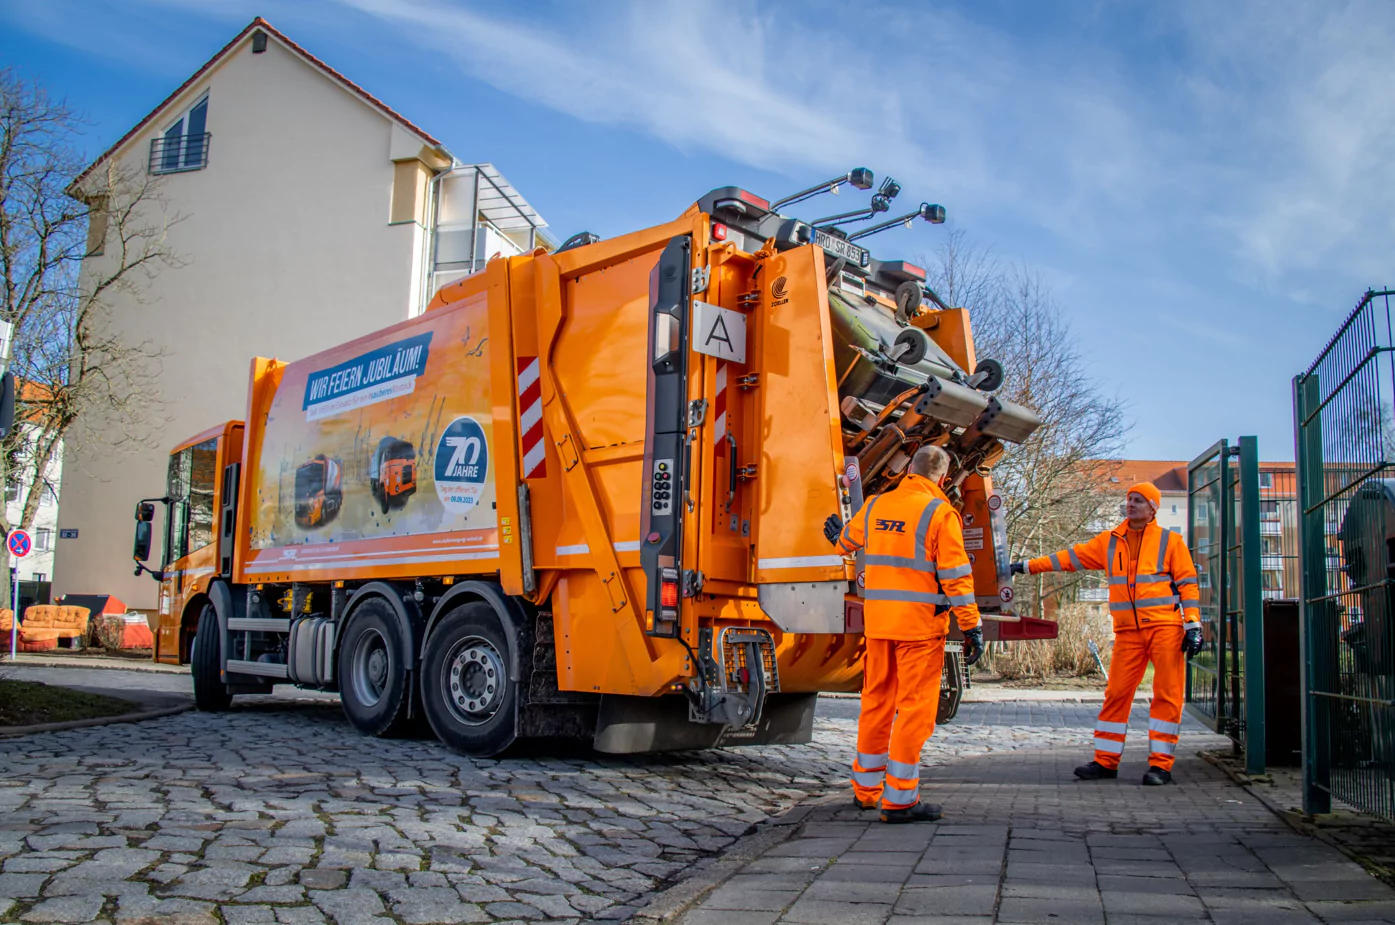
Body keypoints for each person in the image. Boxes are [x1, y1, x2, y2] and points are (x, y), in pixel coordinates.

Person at [822, 445, 984, 823]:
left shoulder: (876, 505)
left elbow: (845, 544)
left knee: (876, 704)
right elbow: (957, 578)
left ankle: (866, 791)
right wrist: (971, 625)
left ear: (910, 469)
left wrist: (837, 536)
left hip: (880, 626)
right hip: (920, 630)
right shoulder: (940, 513)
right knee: (914, 712)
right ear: (942, 478)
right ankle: (900, 799)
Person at [1010, 482, 1203, 785]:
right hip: (1128, 633)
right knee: (1116, 695)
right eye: (1129, 499)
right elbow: (1068, 558)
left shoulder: (1171, 542)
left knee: (1167, 695)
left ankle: (1160, 766)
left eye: (1139, 500)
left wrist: (1192, 624)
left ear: (1153, 508)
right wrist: (1026, 566)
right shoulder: (1109, 541)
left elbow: (1188, 585)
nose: (1131, 504)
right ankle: (1105, 762)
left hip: (1165, 629)